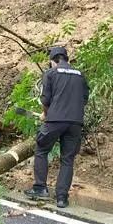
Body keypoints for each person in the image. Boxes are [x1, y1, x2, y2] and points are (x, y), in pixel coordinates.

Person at [25, 46, 89, 208]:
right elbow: (84, 99)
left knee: (41, 149)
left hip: (54, 121)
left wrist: (46, 114)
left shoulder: (51, 73)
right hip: (75, 122)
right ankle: (62, 198)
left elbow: (45, 100)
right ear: (66, 59)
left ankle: (40, 188)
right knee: (67, 159)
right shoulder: (80, 75)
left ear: (53, 61)